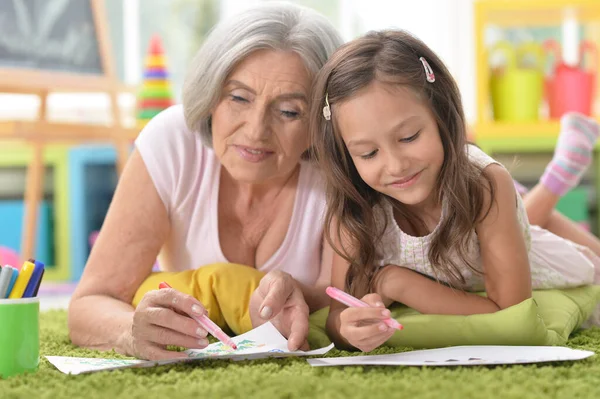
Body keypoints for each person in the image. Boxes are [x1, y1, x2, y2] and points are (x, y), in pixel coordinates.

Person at [68, 2, 343, 360]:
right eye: (239, 98)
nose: (256, 130)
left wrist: (302, 294)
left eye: (289, 111)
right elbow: (89, 303)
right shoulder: (171, 142)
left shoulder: (339, 169)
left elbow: (342, 297)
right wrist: (128, 329)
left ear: (319, 124)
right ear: (211, 96)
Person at [309, 29, 600, 352]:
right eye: (368, 154)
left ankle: (558, 178)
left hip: (540, 266)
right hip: (471, 258)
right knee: (529, 216)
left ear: (442, 115)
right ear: (346, 156)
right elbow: (339, 314)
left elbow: (510, 316)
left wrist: (397, 283)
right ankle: (557, 178)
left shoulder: (484, 183)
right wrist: (346, 328)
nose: (395, 165)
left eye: (408, 137)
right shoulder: (353, 205)